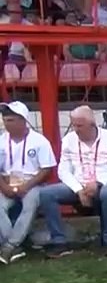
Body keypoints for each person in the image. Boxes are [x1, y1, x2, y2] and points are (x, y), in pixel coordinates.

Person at [39, 106, 107, 257]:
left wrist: (98, 183)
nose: (76, 129)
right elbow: (63, 170)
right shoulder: (68, 140)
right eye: (74, 125)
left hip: (103, 183)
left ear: (92, 124)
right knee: (46, 193)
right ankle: (59, 242)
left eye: (80, 125)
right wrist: (78, 189)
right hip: (76, 184)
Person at [0, 101, 56, 264]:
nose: (6, 123)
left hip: (32, 184)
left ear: (23, 120)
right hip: (6, 183)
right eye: (5, 119)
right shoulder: (1, 140)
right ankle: (14, 247)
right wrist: (4, 187)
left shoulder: (39, 141)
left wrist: (27, 186)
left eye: (10, 120)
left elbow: (47, 169)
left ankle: (9, 246)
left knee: (30, 204)